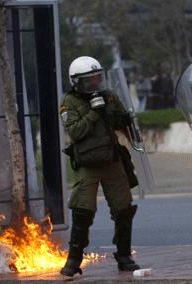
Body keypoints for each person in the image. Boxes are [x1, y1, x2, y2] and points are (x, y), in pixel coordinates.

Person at [59, 56, 140, 277]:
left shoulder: (109, 96)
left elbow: (122, 122)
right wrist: (94, 112)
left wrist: (124, 120)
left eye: (97, 77)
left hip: (112, 159)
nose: (94, 83)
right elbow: (75, 132)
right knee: (83, 210)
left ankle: (124, 256)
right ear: (76, 82)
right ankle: (74, 260)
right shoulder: (69, 102)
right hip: (87, 163)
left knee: (124, 208)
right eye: (89, 80)